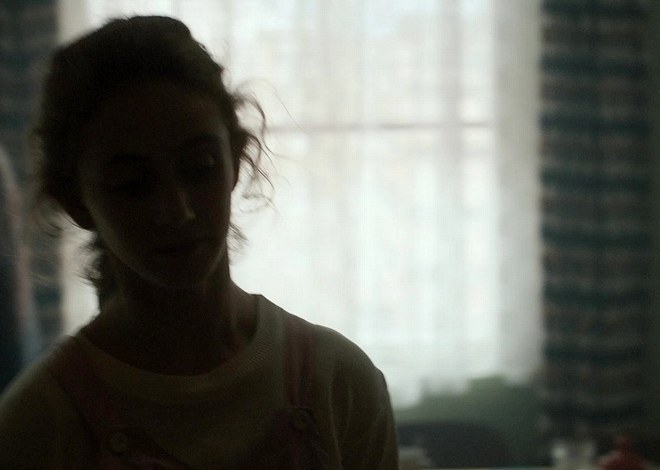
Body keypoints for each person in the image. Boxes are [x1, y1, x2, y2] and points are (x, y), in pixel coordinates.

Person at [0, 15, 399, 469]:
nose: (178, 211)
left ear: (236, 162)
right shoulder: (38, 425)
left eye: (200, 168)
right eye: (133, 184)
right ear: (76, 201)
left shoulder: (339, 382)